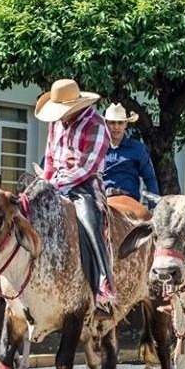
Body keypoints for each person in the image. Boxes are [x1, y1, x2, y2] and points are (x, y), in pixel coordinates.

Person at [35, 79, 115, 320]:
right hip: (53, 182)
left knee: (90, 224)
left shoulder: (97, 125)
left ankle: (103, 285)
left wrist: (54, 184)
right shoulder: (56, 124)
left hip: (84, 186)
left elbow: (87, 167)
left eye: (65, 112)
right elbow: (49, 156)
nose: (62, 117)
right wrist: (45, 181)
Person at [102, 103, 160, 204]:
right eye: (112, 123)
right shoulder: (97, 148)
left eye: (120, 123)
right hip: (102, 200)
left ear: (126, 124)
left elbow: (149, 178)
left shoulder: (138, 148)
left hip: (129, 200)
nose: (116, 127)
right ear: (105, 124)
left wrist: (153, 206)